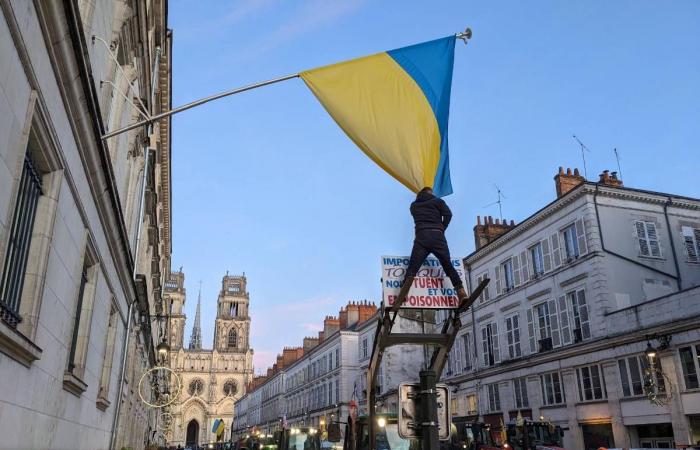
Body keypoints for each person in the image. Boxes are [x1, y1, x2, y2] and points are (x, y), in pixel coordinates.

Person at [398, 187, 468, 304]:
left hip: (422, 237)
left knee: (413, 267)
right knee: (447, 266)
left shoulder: (414, 206)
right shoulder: (438, 202)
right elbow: (448, 215)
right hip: (438, 236)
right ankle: (461, 292)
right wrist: (442, 228)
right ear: (430, 193)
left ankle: (404, 292)